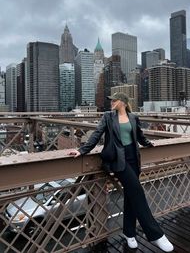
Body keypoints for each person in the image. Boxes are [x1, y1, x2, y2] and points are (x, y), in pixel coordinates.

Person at [69, 92, 174, 252]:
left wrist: (148, 143)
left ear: (123, 102)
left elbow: (139, 135)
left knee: (131, 196)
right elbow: (96, 135)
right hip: (119, 160)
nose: (111, 103)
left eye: (114, 100)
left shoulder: (133, 117)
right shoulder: (108, 117)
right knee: (137, 192)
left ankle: (129, 233)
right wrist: (82, 150)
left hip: (133, 159)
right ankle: (156, 235)